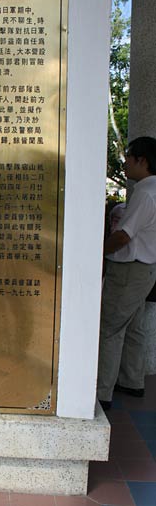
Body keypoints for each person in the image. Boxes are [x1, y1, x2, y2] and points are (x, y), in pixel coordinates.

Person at [97, 136, 156, 410]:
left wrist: (96, 253)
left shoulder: (145, 193)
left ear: (142, 161)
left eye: (128, 159)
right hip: (145, 270)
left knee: (109, 328)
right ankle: (132, 381)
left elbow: (123, 237)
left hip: (129, 270)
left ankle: (101, 391)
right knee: (134, 328)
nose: (124, 165)